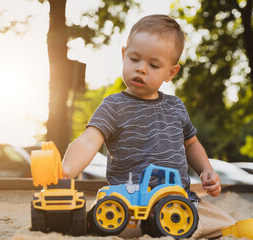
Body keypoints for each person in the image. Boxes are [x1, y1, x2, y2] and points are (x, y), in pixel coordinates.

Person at [62, 14, 235, 239]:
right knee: (111, 220)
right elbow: (88, 140)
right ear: (123, 55)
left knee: (227, 223)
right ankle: (150, 229)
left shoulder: (175, 107)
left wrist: (206, 170)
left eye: (153, 65)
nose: (141, 68)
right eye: (134, 59)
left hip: (177, 201)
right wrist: (67, 170)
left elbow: (191, 144)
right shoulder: (114, 106)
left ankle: (167, 229)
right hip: (129, 200)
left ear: (170, 72)